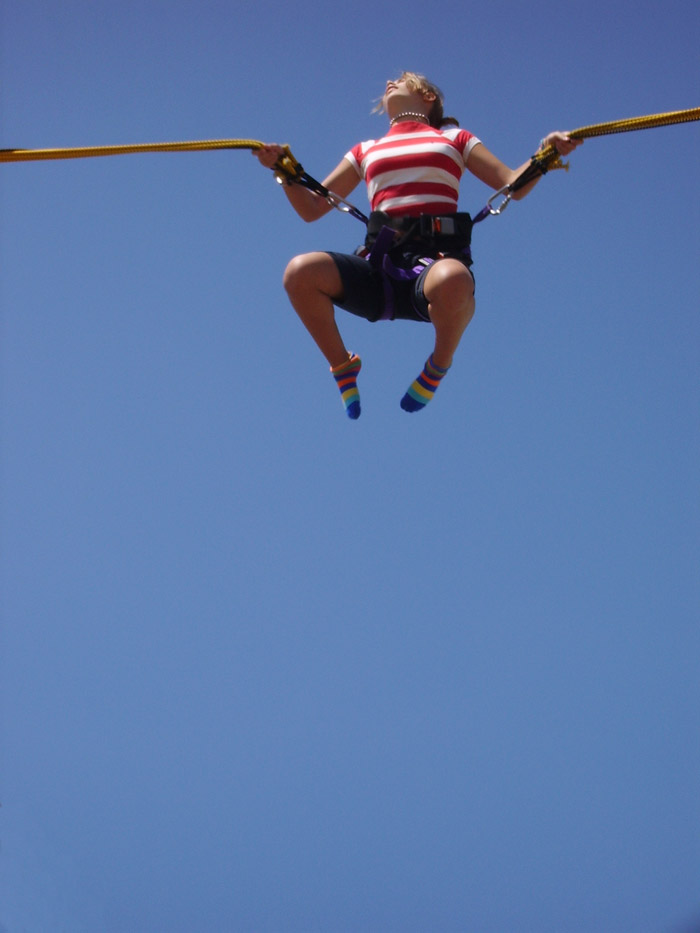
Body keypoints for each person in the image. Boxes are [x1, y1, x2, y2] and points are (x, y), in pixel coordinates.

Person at [254, 72, 582, 419]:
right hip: (378, 269)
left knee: (454, 279)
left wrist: (546, 153)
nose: (389, 82)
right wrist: (284, 171)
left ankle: (438, 366)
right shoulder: (365, 149)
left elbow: (511, 183)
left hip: (434, 267)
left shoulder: (454, 138)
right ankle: (342, 366)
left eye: (402, 80)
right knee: (299, 273)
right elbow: (313, 208)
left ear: (427, 96)